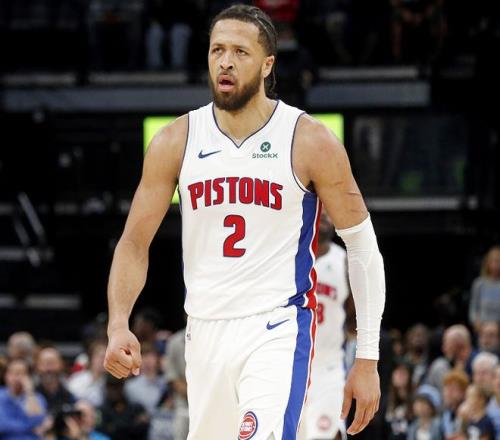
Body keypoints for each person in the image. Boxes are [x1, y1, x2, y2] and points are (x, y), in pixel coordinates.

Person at [104, 4, 386, 439]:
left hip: (276, 327)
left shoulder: (309, 139)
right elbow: (133, 242)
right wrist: (118, 322)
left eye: (240, 51)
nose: (225, 62)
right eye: (217, 50)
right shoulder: (175, 141)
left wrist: (367, 357)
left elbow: (363, 245)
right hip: (204, 331)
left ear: (268, 64)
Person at [298, 212, 350, 440]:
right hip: (289, 362)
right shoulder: (288, 257)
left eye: (330, 212)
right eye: (321, 210)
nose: (326, 216)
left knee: (326, 435)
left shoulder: (345, 261)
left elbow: (355, 316)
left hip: (328, 366)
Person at [0, 358, 48, 439]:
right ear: (6, 375)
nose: (17, 378)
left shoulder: (37, 397)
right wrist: (29, 427)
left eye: (22, 373)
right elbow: (2, 425)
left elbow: (38, 421)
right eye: (13, 373)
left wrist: (30, 392)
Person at [469, 246, 500, 333]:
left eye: (499, 261)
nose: (496, 265)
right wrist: (476, 322)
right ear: (488, 263)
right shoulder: (479, 283)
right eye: (494, 261)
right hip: (482, 327)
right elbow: (473, 307)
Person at [441, 369, 469, 439]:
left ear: (463, 393)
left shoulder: (467, 413)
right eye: (446, 388)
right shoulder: (446, 414)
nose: (448, 393)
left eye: (453, 389)